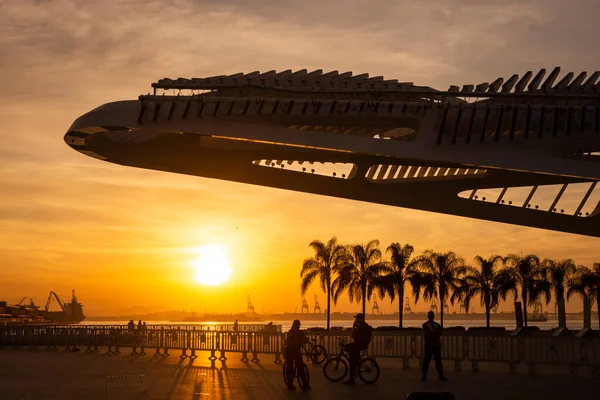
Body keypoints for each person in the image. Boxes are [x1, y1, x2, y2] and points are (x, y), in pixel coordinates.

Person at [343, 313, 373, 385]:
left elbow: (354, 336)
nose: (356, 320)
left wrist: (354, 326)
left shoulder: (361, 326)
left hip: (360, 345)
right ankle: (355, 360)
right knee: (348, 349)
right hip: (360, 344)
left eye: (357, 318)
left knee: (352, 360)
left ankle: (351, 379)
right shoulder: (362, 326)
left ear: (361, 319)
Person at [422, 311, 448, 381]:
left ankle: (425, 376)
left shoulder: (426, 324)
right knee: (431, 361)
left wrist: (433, 333)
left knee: (430, 361)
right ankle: (439, 376)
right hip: (432, 344)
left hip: (432, 344)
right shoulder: (432, 325)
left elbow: (437, 331)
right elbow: (439, 332)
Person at [284, 320, 310, 391]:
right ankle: (290, 384)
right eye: (297, 325)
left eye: (298, 326)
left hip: (296, 351)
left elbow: (305, 339)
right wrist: (296, 342)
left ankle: (305, 384)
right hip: (290, 351)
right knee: (290, 367)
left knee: (301, 367)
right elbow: (288, 342)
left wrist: (304, 339)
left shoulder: (300, 333)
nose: (297, 327)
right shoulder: (290, 332)